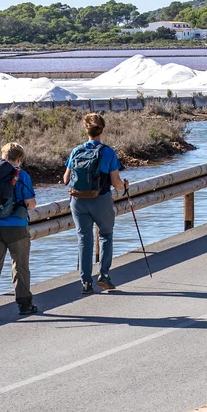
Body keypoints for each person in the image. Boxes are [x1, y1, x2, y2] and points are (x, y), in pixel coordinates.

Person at [64, 112, 128, 293]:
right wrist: (124, 186)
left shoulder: (76, 151)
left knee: (84, 239)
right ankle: (104, 275)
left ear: (86, 130)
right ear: (102, 129)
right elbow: (116, 183)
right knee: (106, 235)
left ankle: (85, 282)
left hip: (78, 200)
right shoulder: (108, 152)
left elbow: (66, 179)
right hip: (100, 199)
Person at [0, 141, 38, 321]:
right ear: (19, 159)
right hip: (16, 227)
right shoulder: (22, 175)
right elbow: (30, 204)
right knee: (20, 266)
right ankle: (25, 305)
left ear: (2, 155)